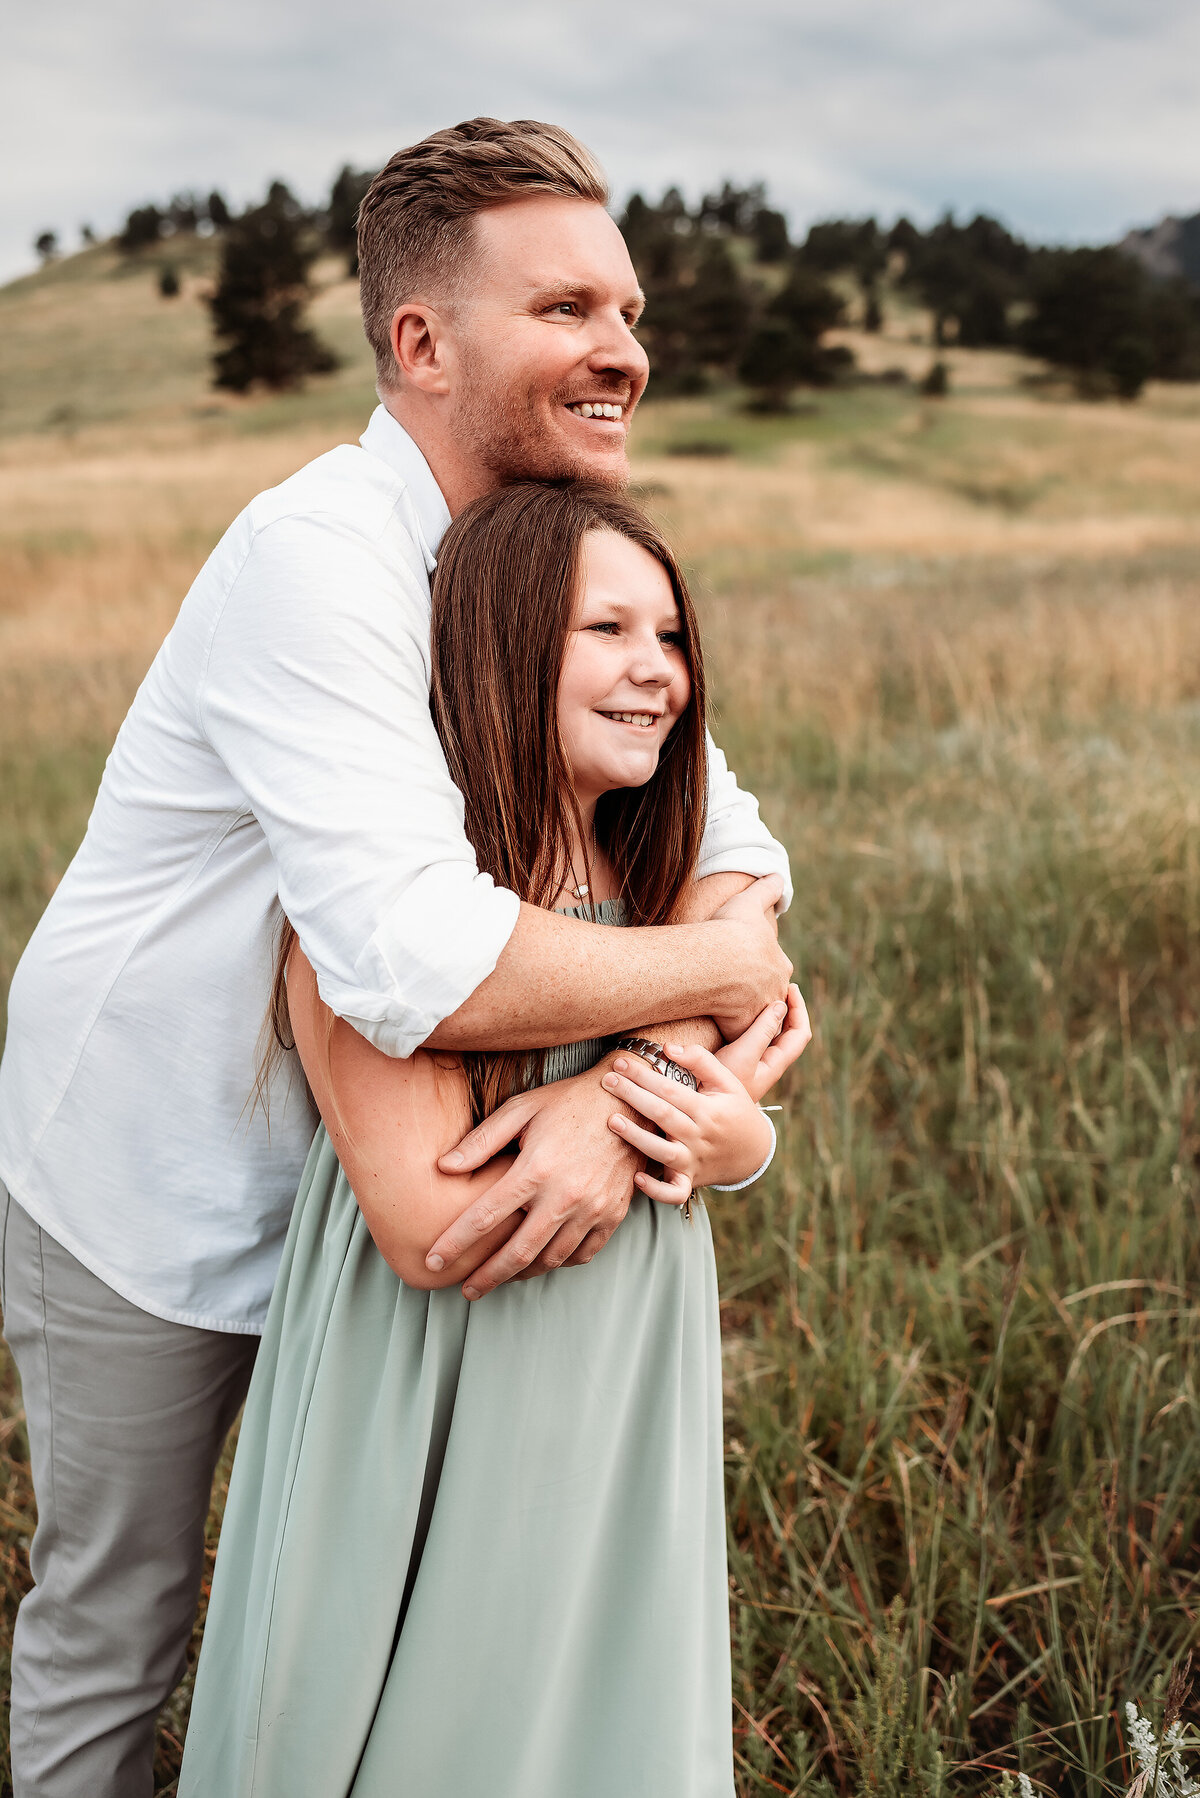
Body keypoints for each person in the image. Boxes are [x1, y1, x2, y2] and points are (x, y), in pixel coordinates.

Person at [0, 118, 793, 1798]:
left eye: (630, 307)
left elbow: (743, 871)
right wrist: (706, 998)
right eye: (569, 306)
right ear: (421, 341)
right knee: (121, 1619)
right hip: (164, 1167)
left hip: (399, 1196)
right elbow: (419, 965)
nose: (625, 350)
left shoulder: (544, 563)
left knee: (358, 1611)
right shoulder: (319, 562)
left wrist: (626, 1092)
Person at [178, 481, 810, 1798]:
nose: (658, 672)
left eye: (674, 636)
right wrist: (683, 1058)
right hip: (434, 1381)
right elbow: (439, 1223)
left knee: (602, 1702)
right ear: (505, 644)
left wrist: (739, 1137)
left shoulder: (665, 893)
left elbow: (750, 1066)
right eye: (610, 631)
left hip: (624, 1373)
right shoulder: (388, 921)